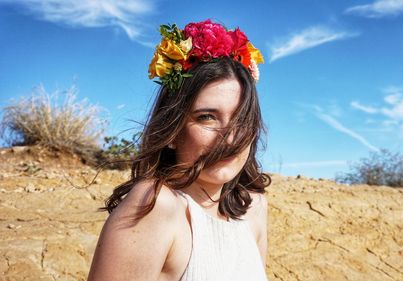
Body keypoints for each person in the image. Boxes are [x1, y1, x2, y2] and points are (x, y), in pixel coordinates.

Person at [87, 19, 271, 281]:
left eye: (241, 119)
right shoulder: (155, 205)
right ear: (172, 131)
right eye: (207, 117)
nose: (229, 139)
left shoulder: (253, 209)